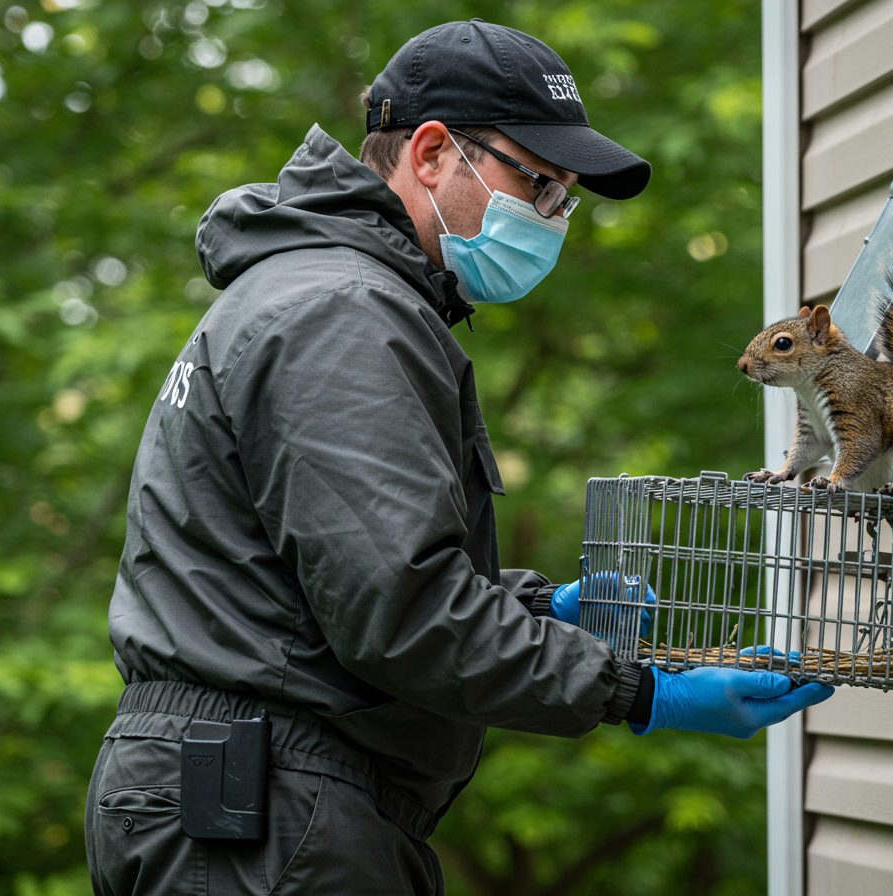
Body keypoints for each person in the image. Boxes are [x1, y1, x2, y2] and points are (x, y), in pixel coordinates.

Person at [84, 19, 833, 896]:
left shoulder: (320, 293)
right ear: (433, 153)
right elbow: (400, 614)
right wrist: (639, 693)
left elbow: (330, 583)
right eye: (539, 185)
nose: (554, 218)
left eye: (565, 199)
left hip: (247, 801)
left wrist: (543, 607)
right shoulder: (343, 312)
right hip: (263, 817)